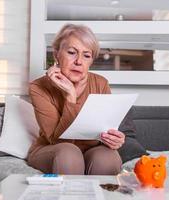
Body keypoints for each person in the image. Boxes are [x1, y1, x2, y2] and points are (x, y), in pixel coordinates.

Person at [28, 24, 125, 175]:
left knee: (107, 157)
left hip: (91, 150)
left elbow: (104, 131)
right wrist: (70, 96)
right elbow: (58, 141)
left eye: (86, 55)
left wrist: (114, 139)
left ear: (91, 61)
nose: (79, 61)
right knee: (69, 153)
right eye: (72, 52)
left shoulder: (101, 83)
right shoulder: (38, 87)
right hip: (53, 149)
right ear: (56, 55)